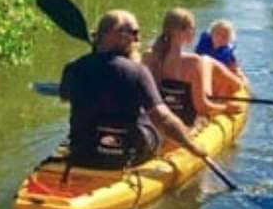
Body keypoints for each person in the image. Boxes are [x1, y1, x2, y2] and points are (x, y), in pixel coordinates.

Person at [59, 9, 207, 169]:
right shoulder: (137, 72)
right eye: (134, 33)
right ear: (121, 36)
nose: (137, 39)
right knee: (156, 122)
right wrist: (192, 145)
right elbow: (163, 119)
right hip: (128, 155)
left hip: (82, 153)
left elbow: (64, 97)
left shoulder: (73, 67)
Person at [142, 8, 245, 129]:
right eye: (193, 28)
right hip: (185, 126)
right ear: (183, 32)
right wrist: (227, 108)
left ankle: (237, 81)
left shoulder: (147, 56)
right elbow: (202, 107)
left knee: (206, 60)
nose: (194, 32)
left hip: (157, 123)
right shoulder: (193, 62)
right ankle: (239, 82)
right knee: (207, 60)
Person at [195, 19, 247, 84]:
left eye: (224, 36)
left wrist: (242, 79)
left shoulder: (229, 53)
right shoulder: (203, 44)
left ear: (229, 40)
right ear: (211, 33)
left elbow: (235, 69)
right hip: (202, 74)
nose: (220, 38)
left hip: (217, 78)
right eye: (217, 34)